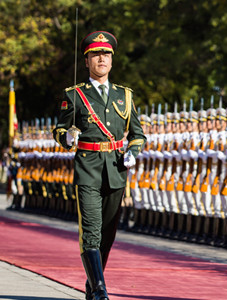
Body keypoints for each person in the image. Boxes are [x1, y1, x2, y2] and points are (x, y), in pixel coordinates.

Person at [53, 31, 146, 300]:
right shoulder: (75, 95)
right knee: (91, 232)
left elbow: (138, 133)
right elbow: (59, 130)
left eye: (106, 54)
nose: (101, 59)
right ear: (87, 61)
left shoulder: (124, 96)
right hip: (88, 169)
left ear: (112, 60)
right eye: (95, 54)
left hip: (117, 170)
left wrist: (134, 151)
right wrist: (67, 137)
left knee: (108, 233)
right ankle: (100, 290)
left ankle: (93, 282)